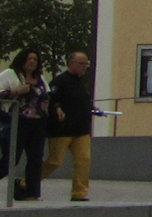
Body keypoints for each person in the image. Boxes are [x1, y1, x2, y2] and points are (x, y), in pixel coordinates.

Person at [42, 51, 94, 201]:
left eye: (87, 64)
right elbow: (51, 100)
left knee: (84, 160)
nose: (85, 67)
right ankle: (27, 183)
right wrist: (57, 109)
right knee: (54, 161)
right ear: (71, 64)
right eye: (82, 64)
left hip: (81, 129)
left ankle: (79, 193)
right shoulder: (59, 81)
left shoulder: (82, 83)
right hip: (62, 130)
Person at [0, 48, 51, 199]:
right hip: (16, 121)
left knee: (36, 158)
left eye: (35, 59)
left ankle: (32, 193)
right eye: (29, 59)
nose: (32, 62)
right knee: (12, 158)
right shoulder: (10, 74)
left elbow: (47, 96)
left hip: (37, 123)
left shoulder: (40, 78)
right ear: (22, 60)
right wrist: (16, 91)